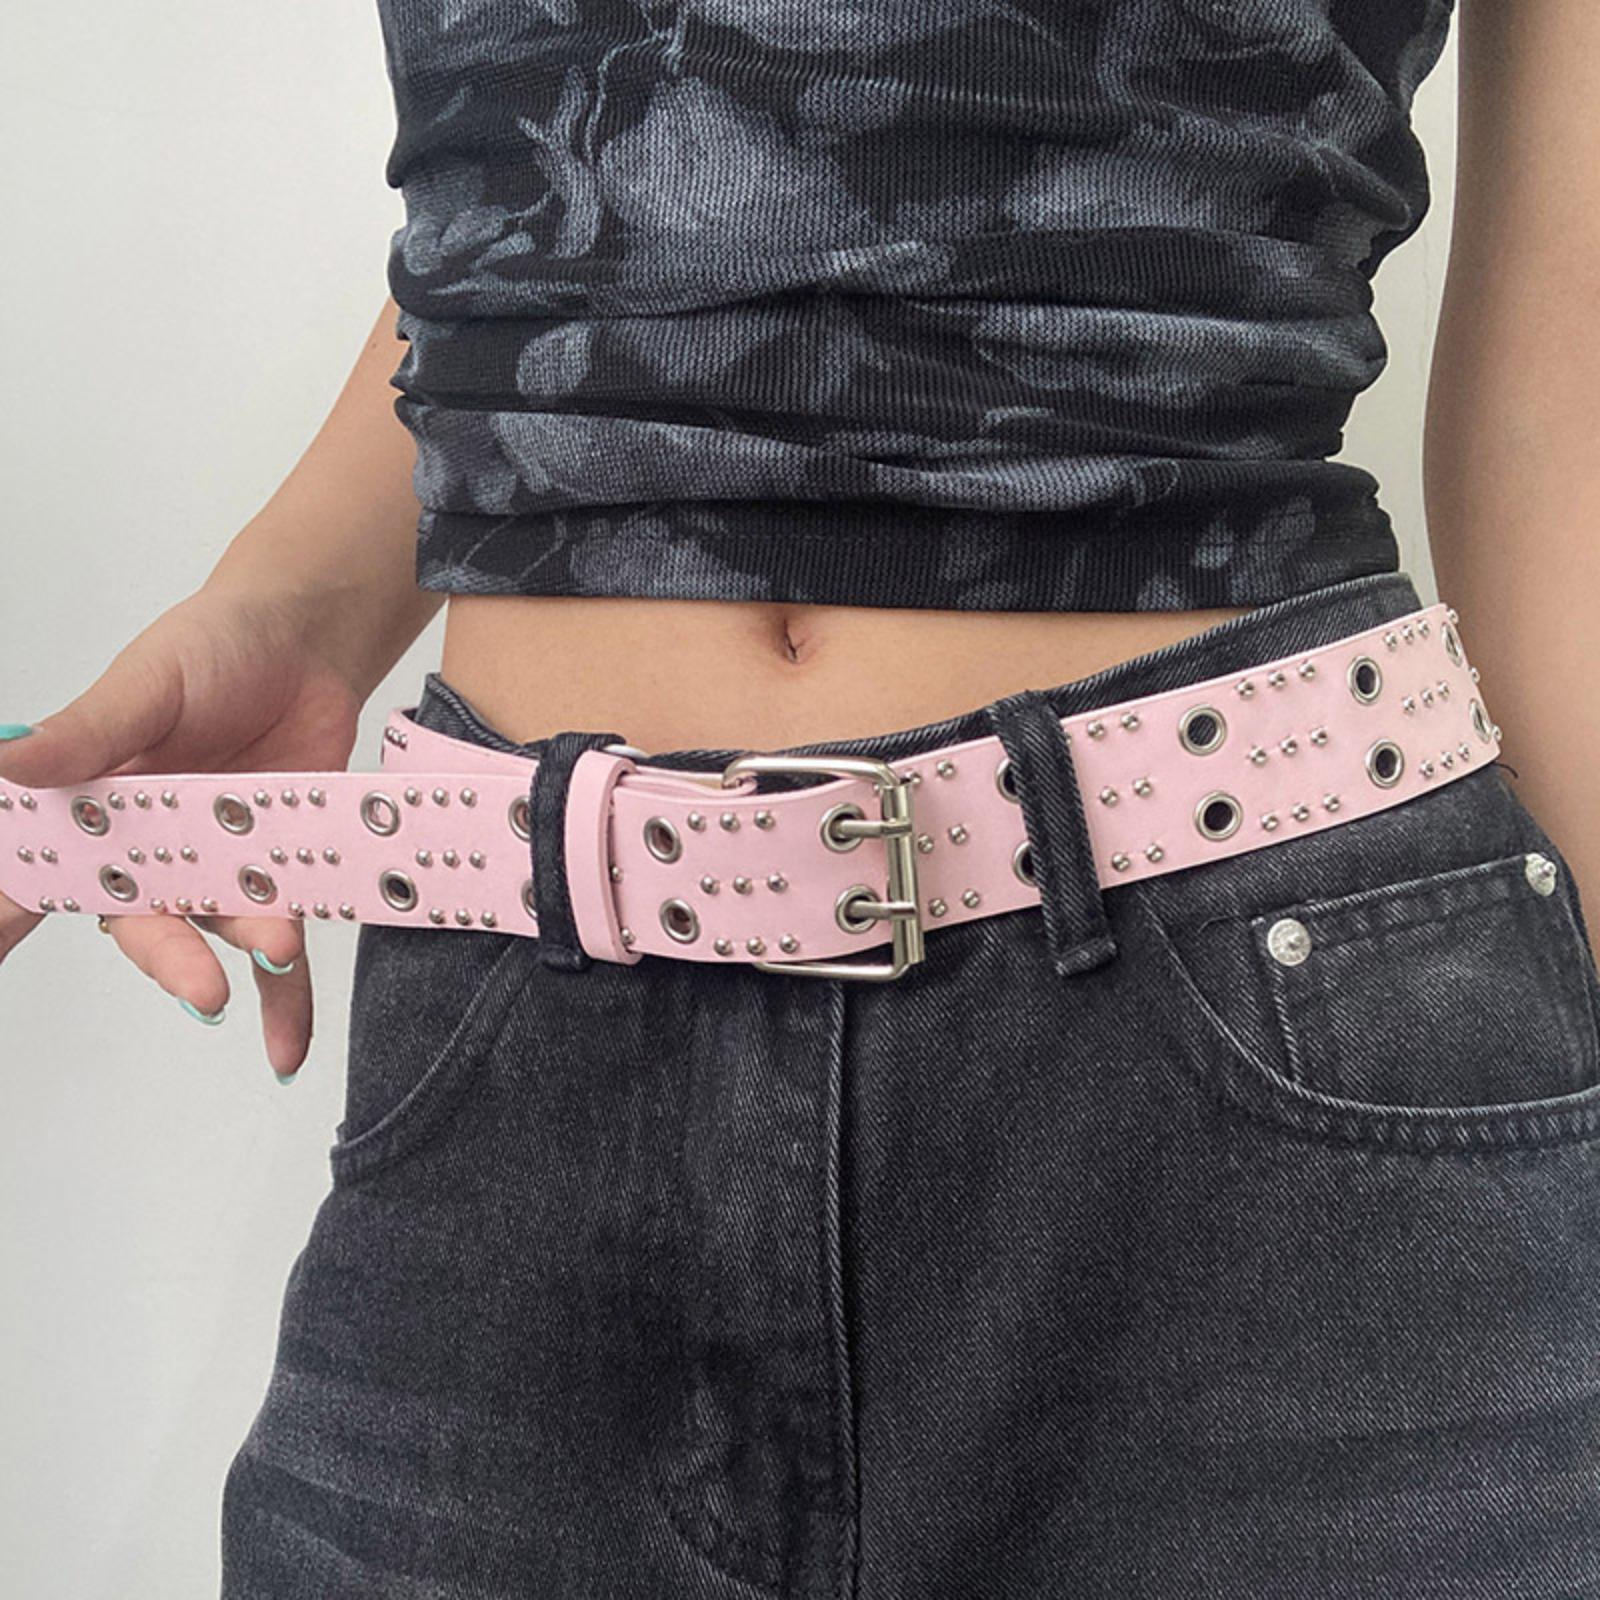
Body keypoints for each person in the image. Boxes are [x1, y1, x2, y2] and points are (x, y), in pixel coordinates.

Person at [2, 1, 1597, 1594]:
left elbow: (1565, 388)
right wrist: (294, 610)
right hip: (516, 1013)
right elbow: (560, 174)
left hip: (1246, 1018)